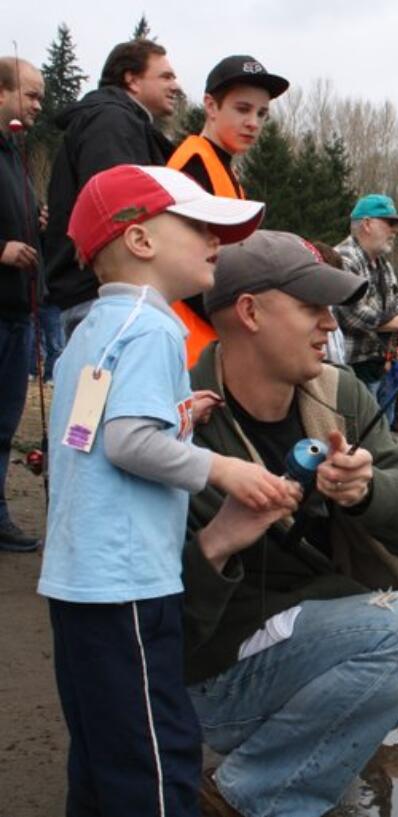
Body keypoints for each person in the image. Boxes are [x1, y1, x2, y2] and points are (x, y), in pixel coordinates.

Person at [184, 230, 398, 816]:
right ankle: (251, 795)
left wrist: (369, 492)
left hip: (317, 632)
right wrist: (217, 543)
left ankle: (309, 746)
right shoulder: (178, 416)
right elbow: (151, 615)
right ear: (249, 312)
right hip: (214, 676)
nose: (330, 326)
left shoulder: (336, 395)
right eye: (312, 308)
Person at [37, 165, 283, 816]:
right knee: (158, 756)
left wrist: (177, 417)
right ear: (142, 241)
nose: (215, 241)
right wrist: (224, 469)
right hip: (129, 585)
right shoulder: (155, 327)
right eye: (199, 227)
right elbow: (126, 442)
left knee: (100, 752)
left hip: (79, 583)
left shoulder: (91, 330)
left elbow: (92, 431)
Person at [45, 39, 182, 337]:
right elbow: (116, 205)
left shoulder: (125, 122)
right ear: (132, 79)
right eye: (166, 76)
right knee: (112, 384)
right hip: (103, 297)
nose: (176, 85)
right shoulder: (111, 121)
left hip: (104, 296)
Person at [167, 54, 290, 368]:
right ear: (210, 106)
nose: (254, 123)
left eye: (262, 113)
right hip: (190, 349)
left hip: (209, 343)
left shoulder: (222, 170)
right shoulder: (193, 167)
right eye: (243, 109)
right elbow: (182, 265)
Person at [334, 194, 398, 427]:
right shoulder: (344, 258)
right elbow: (351, 313)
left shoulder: (384, 265)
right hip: (351, 371)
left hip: (379, 369)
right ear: (367, 224)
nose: (396, 230)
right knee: (359, 437)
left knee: (380, 437)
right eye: (390, 223)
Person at [0, 58, 44, 552]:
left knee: (4, 424)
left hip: (18, 313)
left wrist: (36, 219)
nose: (36, 107)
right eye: (30, 96)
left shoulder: (16, 153)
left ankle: (0, 516)